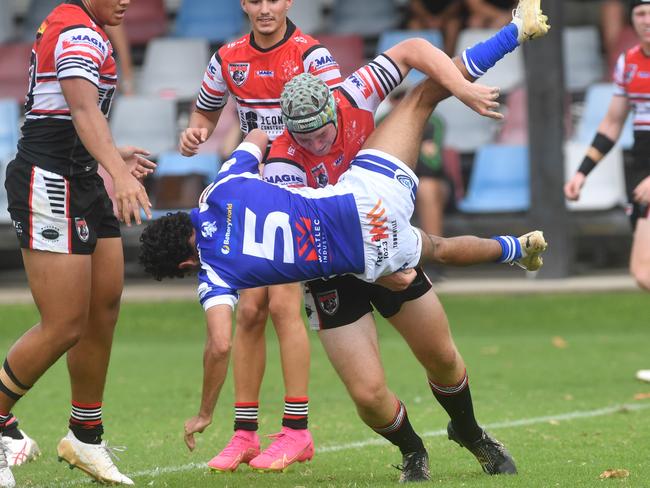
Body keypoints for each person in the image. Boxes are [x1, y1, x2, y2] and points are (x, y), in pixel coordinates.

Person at [180, 0, 550, 477]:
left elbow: (416, 52)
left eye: (322, 133)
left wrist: (468, 83)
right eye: (302, 137)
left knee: (442, 357)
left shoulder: (353, 94)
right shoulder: (283, 168)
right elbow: (305, 241)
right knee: (369, 396)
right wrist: (374, 266)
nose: (315, 144)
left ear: (335, 106)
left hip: (377, 228)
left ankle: (470, 431)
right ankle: (413, 451)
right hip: (332, 267)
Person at [178, 0, 342, 473]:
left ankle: (297, 431)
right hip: (251, 194)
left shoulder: (312, 55)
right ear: (244, 4)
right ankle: (245, 434)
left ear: (288, 1)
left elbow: (337, 122)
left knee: (285, 306)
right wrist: (196, 133)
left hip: (295, 193)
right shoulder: (227, 58)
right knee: (250, 310)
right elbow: (205, 113)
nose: (265, 8)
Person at [1, 0, 154, 486]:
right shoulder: (77, 31)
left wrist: (111, 155)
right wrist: (119, 174)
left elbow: (67, 114)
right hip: (49, 181)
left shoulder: (83, 24)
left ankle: (85, 436)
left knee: (103, 303)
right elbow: (84, 110)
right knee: (64, 324)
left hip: (80, 177)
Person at [565, 0, 650, 385]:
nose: (647, 21)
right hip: (641, 177)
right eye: (641, 14)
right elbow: (613, 123)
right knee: (644, 272)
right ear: (632, 20)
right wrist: (583, 172)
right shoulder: (628, 62)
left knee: (643, 271)